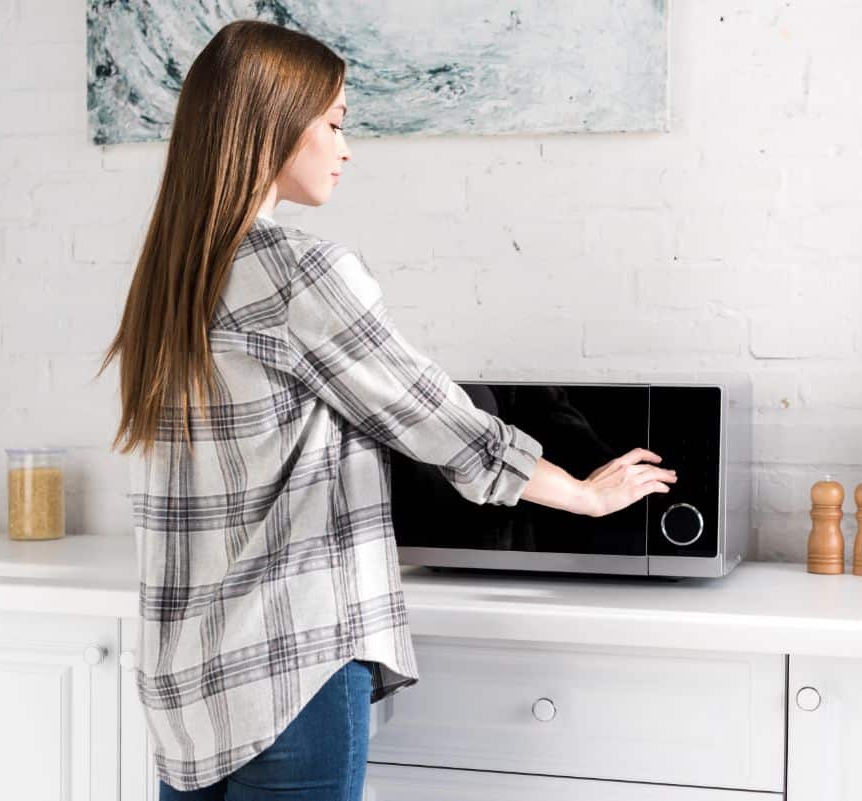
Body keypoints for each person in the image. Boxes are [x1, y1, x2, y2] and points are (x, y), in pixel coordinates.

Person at [98, 18, 677, 801]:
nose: (346, 147)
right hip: (291, 672)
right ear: (274, 125)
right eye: (335, 122)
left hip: (186, 693)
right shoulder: (300, 272)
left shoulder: (165, 288)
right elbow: (438, 419)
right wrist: (583, 491)